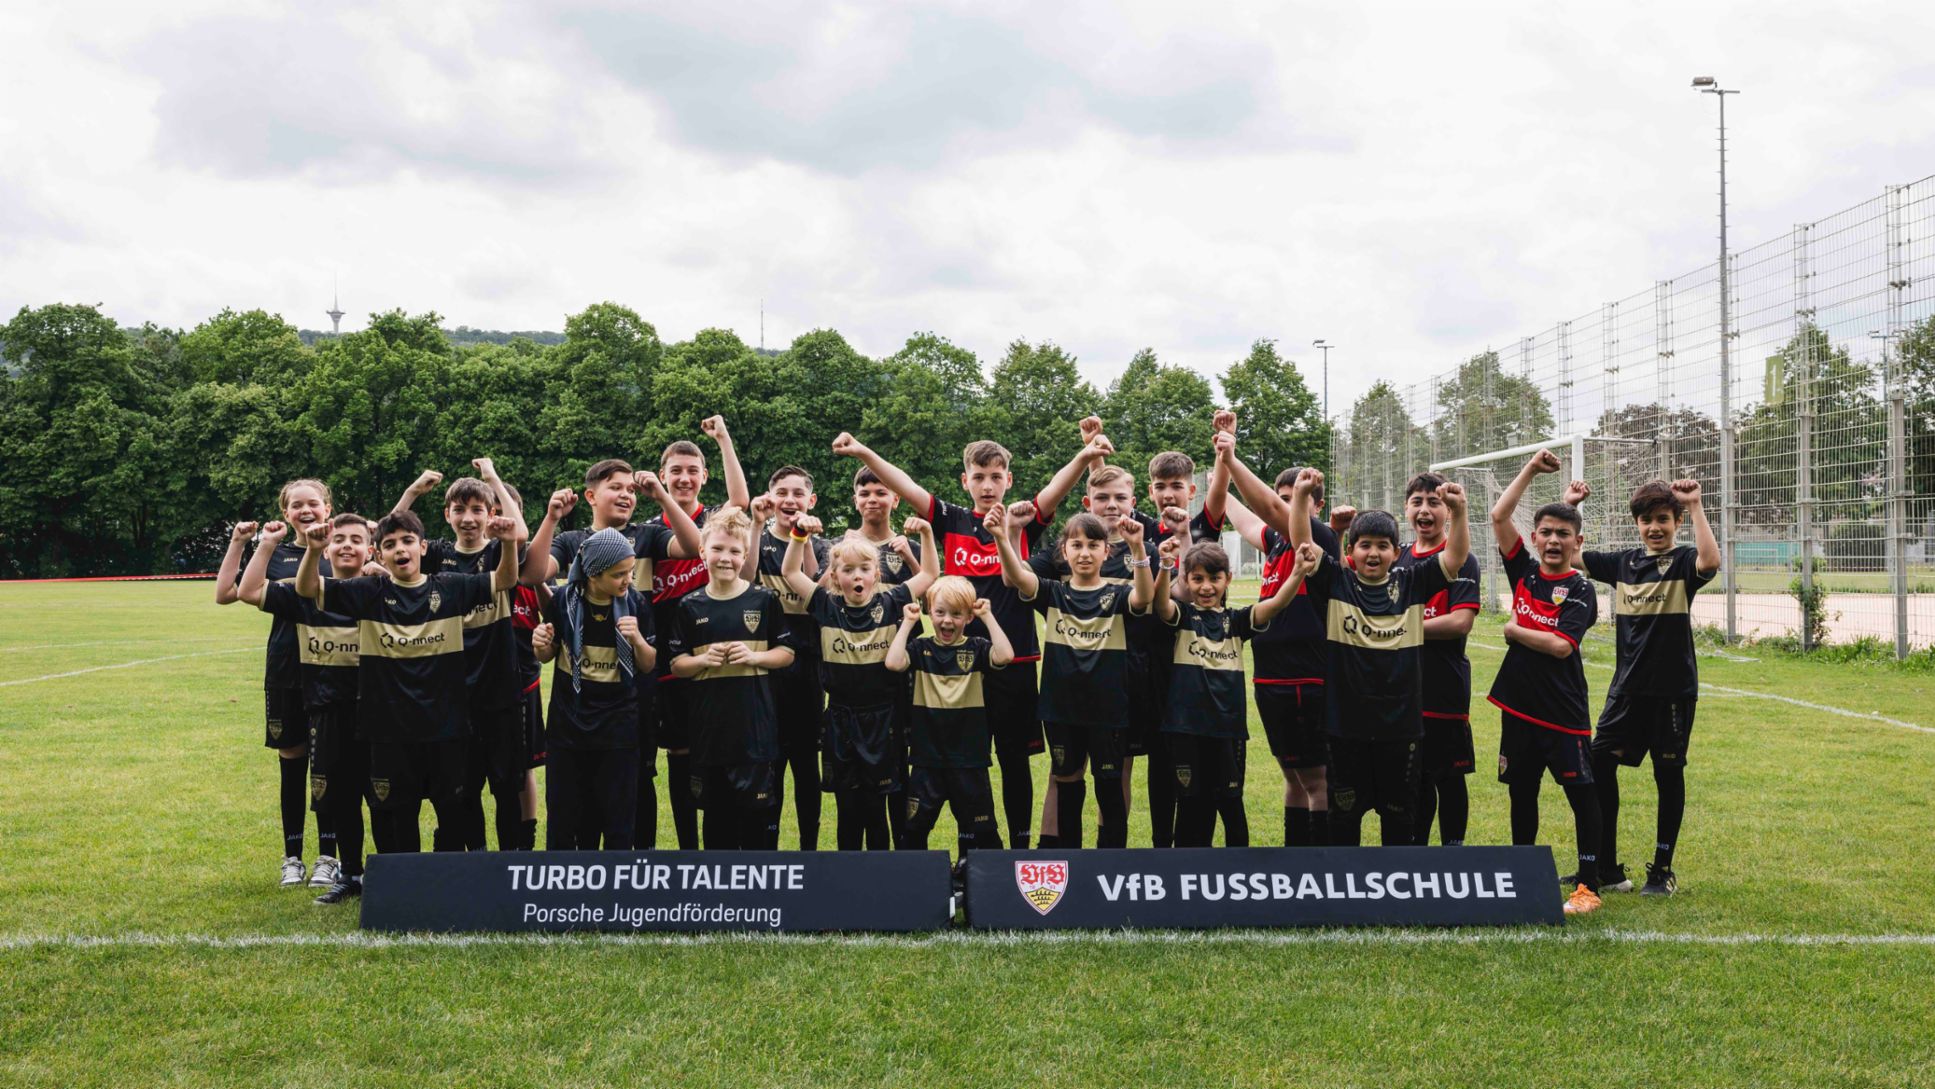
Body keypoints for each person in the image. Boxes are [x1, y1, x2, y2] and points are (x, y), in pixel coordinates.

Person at [833, 432, 1055, 848]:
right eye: (978, 477)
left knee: (1013, 762)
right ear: (964, 481)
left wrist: (1086, 454)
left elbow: (1057, 489)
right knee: (961, 764)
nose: (987, 485)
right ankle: (966, 851)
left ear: (1009, 479)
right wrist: (863, 451)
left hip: (1013, 660)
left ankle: (1018, 850)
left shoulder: (1021, 520)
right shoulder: (951, 519)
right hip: (952, 665)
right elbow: (904, 485)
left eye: (996, 476)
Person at [295, 509, 521, 854]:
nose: (400, 549)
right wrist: (313, 551)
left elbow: (504, 580)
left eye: (407, 541)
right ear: (380, 554)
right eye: (390, 544)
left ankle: (446, 886)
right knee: (400, 816)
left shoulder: (451, 587)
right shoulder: (368, 592)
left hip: (446, 730)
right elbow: (308, 588)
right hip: (389, 733)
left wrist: (507, 544)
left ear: (423, 547)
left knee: (451, 812)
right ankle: (405, 891)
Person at [525, 458, 704, 849]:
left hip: (632, 694)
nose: (626, 495)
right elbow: (533, 573)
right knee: (578, 793)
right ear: (590, 495)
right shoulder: (572, 542)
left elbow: (693, 546)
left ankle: (632, 867)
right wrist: (552, 518)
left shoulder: (650, 535)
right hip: (577, 705)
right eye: (615, 487)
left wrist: (659, 493)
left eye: (630, 489)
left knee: (634, 782)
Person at [1287, 469, 1470, 848]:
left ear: (1395, 550)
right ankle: (1345, 895)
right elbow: (1302, 543)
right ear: (1351, 551)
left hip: (1400, 728)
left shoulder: (1412, 582)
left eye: (1383, 545)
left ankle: (1396, 898)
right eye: (1365, 545)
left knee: (1399, 820)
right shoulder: (1337, 583)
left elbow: (1454, 559)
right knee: (1344, 819)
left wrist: (1460, 512)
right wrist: (1303, 497)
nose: (1374, 553)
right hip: (1344, 727)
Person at [1571, 475, 1719, 897]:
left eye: (1663, 519)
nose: (1655, 527)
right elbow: (1575, 556)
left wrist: (1695, 505)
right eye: (1647, 520)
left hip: (1672, 691)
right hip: (1626, 691)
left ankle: (1662, 870)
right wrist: (1573, 504)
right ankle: (1606, 867)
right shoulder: (1623, 564)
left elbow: (1710, 563)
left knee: (1668, 774)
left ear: (1675, 522)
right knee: (1599, 765)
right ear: (1636, 523)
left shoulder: (1685, 560)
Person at [990, 505, 1157, 848]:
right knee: (1067, 782)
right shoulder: (1054, 593)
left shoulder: (1118, 595)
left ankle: (1110, 865)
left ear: (1106, 552)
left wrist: (1138, 548)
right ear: (1064, 552)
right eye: (1076, 545)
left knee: (1109, 787)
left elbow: (1145, 597)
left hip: (1109, 711)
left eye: (1093, 545)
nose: (1084, 553)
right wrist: (1000, 538)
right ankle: (1071, 863)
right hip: (1060, 710)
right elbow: (1020, 578)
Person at [1208, 421, 1341, 846]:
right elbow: (1241, 513)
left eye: (1294, 501)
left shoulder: (1318, 540)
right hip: (1269, 676)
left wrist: (1233, 457)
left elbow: (1264, 506)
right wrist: (1220, 465)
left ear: (1314, 506)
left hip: (1308, 676)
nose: (1284, 508)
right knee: (1290, 772)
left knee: (1317, 777)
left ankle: (1319, 862)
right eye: (1283, 499)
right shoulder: (1277, 544)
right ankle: (1294, 856)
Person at [391, 459, 532, 851]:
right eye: (459, 510)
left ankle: (508, 864)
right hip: (451, 694)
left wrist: (493, 479)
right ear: (447, 515)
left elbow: (518, 531)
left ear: (492, 514)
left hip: (500, 689)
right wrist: (415, 490)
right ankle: (475, 862)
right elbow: (393, 532)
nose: (468, 519)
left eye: (477, 510)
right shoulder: (434, 554)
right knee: (461, 788)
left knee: (507, 787)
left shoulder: (502, 551)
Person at [1487, 449, 1605, 916]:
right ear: (1534, 538)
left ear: (1578, 541)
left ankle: (1589, 885)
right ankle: (1522, 874)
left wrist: (1516, 631)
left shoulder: (1580, 590)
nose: (1554, 541)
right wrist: (1531, 469)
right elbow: (1499, 515)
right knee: (1522, 791)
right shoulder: (1525, 571)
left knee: (1582, 795)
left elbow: (1560, 647)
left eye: (1564, 534)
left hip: (1563, 712)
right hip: (1517, 707)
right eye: (1547, 533)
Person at [781, 512, 940, 849]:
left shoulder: (892, 600)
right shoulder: (825, 605)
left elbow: (929, 573)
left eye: (864, 570)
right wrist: (797, 535)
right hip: (841, 719)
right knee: (848, 806)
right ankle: (847, 880)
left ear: (875, 574)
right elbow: (790, 572)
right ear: (835, 576)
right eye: (848, 570)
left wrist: (926, 533)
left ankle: (879, 879)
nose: (857, 576)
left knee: (877, 805)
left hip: (884, 719)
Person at [1151, 537, 1320, 847]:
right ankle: (1190, 876)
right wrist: (1164, 566)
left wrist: (1297, 572)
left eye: (1214, 578)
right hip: (1186, 730)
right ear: (1186, 580)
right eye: (1197, 579)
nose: (1206, 587)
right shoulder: (1184, 617)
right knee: (1190, 806)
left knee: (1231, 804)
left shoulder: (1237, 622)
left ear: (1227, 579)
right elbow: (1161, 604)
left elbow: (1276, 604)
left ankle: (1235, 875)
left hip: (1228, 731)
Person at [239, 514, 371, 903]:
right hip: (327, 712)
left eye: (357, 540)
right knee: (343, 798)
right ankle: (350, 873)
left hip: (379, 711)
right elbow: (248, 591)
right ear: (328, 550)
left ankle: (392, 873)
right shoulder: (308, 596)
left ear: (370, 549)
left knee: (385, 799)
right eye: (339, 540)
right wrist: (274, 544)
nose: (347, 545)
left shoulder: (384, 589)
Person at [213, 478, 334, 887]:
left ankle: (328, 857)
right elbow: (226, 593)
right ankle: (293, 857)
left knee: (329, 766)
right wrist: (241, 542)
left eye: (312, 503)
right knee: (292, 766)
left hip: (332, 670)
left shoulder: (338, 551)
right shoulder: (276, 554)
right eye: (296, 505)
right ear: (285, 513)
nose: (305, 510)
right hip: (285, 672)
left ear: (327, 508)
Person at [645, 418, 754, 848]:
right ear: (663, 474)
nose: (684, 478)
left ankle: (718, 848)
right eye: (676, 471)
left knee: (718, 755)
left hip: (717, 662)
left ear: (704, 476)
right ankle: (687, 850)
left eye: (693, 471)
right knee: (679, 755)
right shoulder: (650, 532)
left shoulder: (713, 523)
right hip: (672, 664)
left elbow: (740, 500)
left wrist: (724, 438)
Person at [667, 506, 795, 850]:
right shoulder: (689, 605)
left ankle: (759, 901)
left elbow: (786, 654)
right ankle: (719, 901)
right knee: (717, 825)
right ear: (702, 551)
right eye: (718, 549)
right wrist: (702, 660)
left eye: (735, 551)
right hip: (710, 735)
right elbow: (676, 664)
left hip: (755, 734)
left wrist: (755, 656)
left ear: (746, 555)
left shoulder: (764, 599)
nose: (726, 558)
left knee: (756, 825)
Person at [530, 528, 655, 849]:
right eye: (618, 575)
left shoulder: (636, 604)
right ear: (593, 574)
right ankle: (561, 894)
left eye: (630, 572)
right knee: (563, 819)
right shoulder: (563, 602)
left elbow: (649, 663)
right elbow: (547, 656)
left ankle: (614, 893)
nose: (627, 580)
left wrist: (637, 639)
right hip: (568, 729)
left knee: (618, 822)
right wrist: (540, 644)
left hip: (619, 730)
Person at [885, 576, 1015, 855]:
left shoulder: (977, 648)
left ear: (969, 616)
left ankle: (984, 885)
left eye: (956, 614)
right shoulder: (920, 649)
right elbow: (893, 662)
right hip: (927, 760)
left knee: (984, 832)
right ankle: (919, 885)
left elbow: (1005, 655)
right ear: (929, 611)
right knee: (914, 831)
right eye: (940, 612)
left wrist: (988, 617)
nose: (947, 621)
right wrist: (908, 623)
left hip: (969, 759)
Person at [1393, 472, 1483, 846]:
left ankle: (1454, 853)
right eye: (1418, 502)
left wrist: (1398, 627)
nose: (1425, 510)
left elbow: (1460, 622)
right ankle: (1417, 854)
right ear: (1406, 508)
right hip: (1399, 690)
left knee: (1448, 776)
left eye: (1435, 503)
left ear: (1449, 511)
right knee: (1413, 777)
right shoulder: (1395, 556)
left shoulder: (1462, 560)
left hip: (1443, 686)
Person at [752, 467, 832, 850]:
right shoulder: (757, 539)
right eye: (781, 492)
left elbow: (814, 591)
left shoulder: (820, 544)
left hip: (808, 666)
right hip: (766, 666)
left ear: (811, 501)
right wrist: (755, 524)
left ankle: (809, 849)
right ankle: (767, 849)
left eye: (798, 493)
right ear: (770, 497)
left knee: (804, 764)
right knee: (768, 762)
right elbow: (746, 575)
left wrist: (806, 537)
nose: (790, 500)